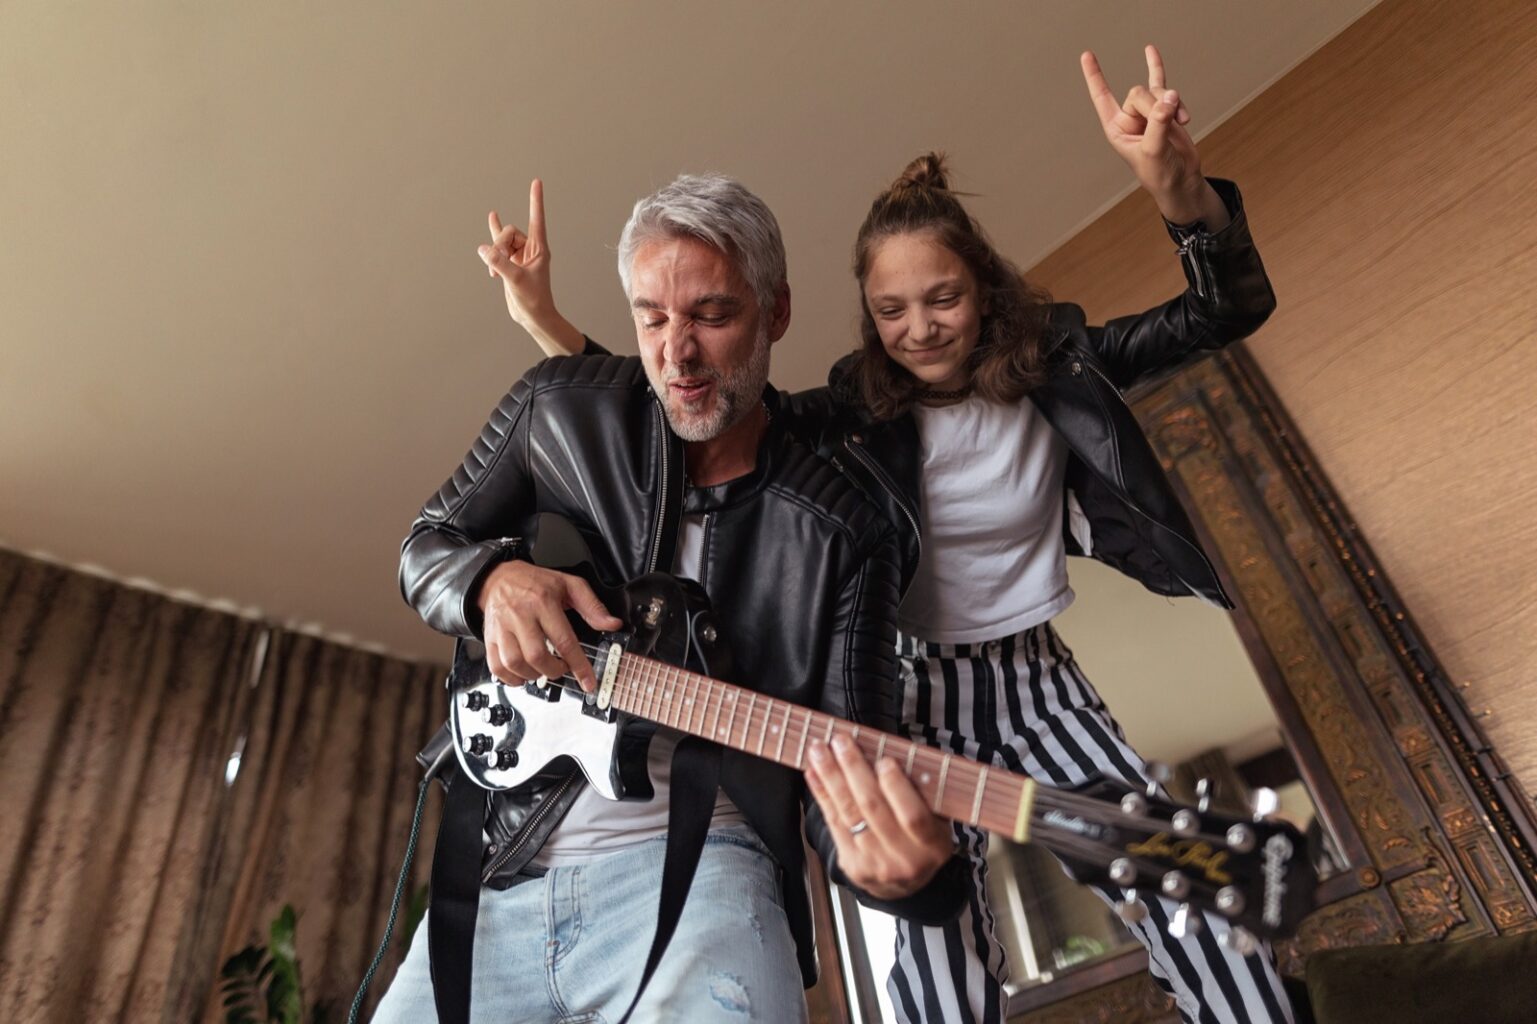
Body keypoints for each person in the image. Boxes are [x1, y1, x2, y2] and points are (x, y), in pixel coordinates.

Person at [480, 46, 1295, 1024]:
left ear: (984, 288)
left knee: (1181, 890)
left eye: (943, 298)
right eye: (890, 309)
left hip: (1036, 679)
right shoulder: (849, 413)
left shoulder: (1061, 362)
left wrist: (1177, 190)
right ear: (866, 317)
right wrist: (547, 323)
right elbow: (686, 399)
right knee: (936, 961)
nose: (920, 329)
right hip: (903, 693)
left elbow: (1223, 308)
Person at [376, 174, 968, 1023]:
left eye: (711, 316)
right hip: (502, 873)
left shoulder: (844, 531)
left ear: (776, 312)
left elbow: (847, 764)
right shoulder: (554, 406)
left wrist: (901, 874)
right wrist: (488, 583)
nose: (676, 352)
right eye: (651, 319)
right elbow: (426, 546)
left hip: (706, 872)